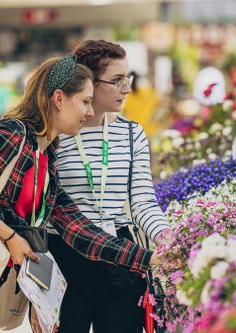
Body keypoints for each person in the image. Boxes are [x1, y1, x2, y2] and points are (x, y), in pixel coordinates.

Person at [0, 55, 166, 333]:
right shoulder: (12, 134)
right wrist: (9, 235)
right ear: (59, 98)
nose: (91, 112)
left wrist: (150, 258)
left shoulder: (46, 155)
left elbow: (78, 229)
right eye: (85, 101)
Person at [32, 40, 170, 333]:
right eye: (117, 80)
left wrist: (167, 238)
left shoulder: (132, 134)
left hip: (120, 255)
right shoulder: (56, 133)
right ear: (90, 83)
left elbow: (143, 201)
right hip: (64, 256)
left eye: (128, 78)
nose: (127, 89)